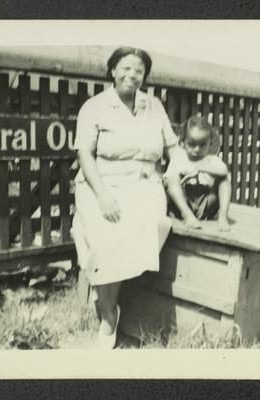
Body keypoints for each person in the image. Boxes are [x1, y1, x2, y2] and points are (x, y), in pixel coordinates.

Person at [71, 47, 184, 349]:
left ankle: (107, 300)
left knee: (145, 225)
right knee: (107, 233)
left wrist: (178, 167)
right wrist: (104, 196)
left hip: (145, 185)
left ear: (145, 76)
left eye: (138, 70)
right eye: (125, 68)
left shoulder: (154, 106)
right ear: (112, 71)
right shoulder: (94, 107)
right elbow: (84, 154)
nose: (131, 75)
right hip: (101, 183)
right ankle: (109, 314)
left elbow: (173, 147)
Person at [164, 115, 231, 231]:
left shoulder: (211, 160)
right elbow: (168, 181)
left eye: (202, 145)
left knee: (224, 180)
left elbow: (224, 171)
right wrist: (181, 177)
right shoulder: (179, 159)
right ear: (183, 142)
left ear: (210, 145)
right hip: (184, 203)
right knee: (172, 179)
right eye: (191, 144)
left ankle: (223, 217)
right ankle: (187, 215)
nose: (196, 150)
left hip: (206, 204)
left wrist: (200, 168)